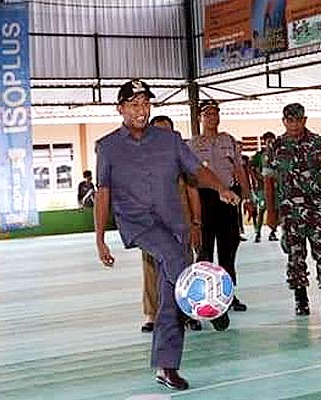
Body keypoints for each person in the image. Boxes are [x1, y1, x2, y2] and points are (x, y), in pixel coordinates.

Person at [94, 80, 240, 390]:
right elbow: (103, 192)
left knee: (170, 294)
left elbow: (196, 170)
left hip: (174, 224)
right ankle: (207, 304)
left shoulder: (170, 140)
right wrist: (100, 238)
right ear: (120, 109)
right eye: (133, 104)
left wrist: (220, 187)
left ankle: (166, 366)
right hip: (139, 224)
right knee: (177, 263)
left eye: (145, 103)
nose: (141, 110)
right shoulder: (107, 147)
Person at [265, 103, 321, 317]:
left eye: (298, 120)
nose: (294, 124)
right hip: (290, 213)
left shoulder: (317, 142)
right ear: (284, 122)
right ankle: (301, 300)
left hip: (318, 210)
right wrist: (271, 211)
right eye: (290, 120)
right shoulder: (276, 146)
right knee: (295, 257)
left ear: (304, 120)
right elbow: (269, 181)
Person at [139, 115, 203, 333]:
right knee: (151, 269)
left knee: (185, 268)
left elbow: (193, 190)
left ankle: (187, 313)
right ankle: (152, 315)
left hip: (181, 223)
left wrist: (196, 223)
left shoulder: (181, 156)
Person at [189, 100, 252, 313]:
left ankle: (229, 294)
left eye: (215, 113)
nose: (212, 117)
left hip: (228, 198)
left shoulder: (229, 141)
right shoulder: (193, 145)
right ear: (200, 117)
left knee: (228, 250)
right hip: (204, 199)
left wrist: (248, 196)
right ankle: (202, 297)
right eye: (207, 114)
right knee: (204, 252)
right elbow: (189, 177)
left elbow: (239, 170)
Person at [249, 131, 279, 242]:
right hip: (262, 188)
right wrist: (258, 179)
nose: (271, 142)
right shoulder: (259, 155)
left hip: (276, 188)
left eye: (272, 140)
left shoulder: (277, 154)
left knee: (275, 210)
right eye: (268, 140)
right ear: (264, 142)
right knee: (262, 210)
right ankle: (258, 232)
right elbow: (251, 168)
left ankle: (272, 232)